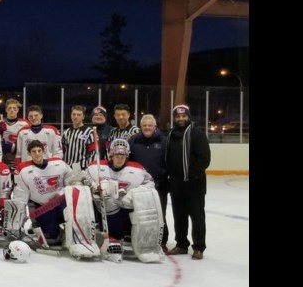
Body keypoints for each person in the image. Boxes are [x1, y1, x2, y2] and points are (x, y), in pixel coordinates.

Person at [84, 138, 158, 263]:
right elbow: (84, 177)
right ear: (111, 154)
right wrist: (93, 186)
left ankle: (126, 237)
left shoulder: (137, 169)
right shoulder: (96, 166)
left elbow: (150, 184)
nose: (120, 158)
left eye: (122, 155)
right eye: (117, 155)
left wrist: (133, 193)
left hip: (123, 209)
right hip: (100, 209)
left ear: (127, 155)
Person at [8, 140, 80, 248]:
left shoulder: (59, 163)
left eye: (39, 150)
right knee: (51, 240)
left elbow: (71, 180)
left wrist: (77, 182)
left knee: (75, 216)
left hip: (61, 203)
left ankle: (74, 234)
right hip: (42, 207)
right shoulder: (22, 170)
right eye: (34, 151)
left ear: (43, 151)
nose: (37, 154)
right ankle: (55, 231)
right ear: (29, 153)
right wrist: (18, 222)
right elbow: (21, 196)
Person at [164, 105, 211, 260]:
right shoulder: (171, 135)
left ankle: (198, 247)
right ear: (174, 118)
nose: (181, 119)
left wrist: (191, 176)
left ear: (189, 117)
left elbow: (204, 159)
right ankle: (182, 244)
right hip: (176, 183)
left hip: (194, 184)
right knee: (179, 216)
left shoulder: (197, 135)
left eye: (184, 116)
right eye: (178, 116)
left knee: (197, 216)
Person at [128, 114, 169, 252]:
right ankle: (139, 238)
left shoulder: (164, 141)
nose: (147, 128)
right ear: (140, 127)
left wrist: (166, 178)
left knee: (159, 214)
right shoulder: (133, 141)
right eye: (144, 125)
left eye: (150, 125)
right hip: (138, 186)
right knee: (139, 214)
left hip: (159, 185)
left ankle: (162, 241)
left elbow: (169, 162)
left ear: (155, 127)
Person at [0, 98, 29, 173]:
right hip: (4, 157)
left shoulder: (25, 124)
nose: (12, 110)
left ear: (17, 110)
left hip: (19, 157)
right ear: (6, 110)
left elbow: (27, 142)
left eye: (14, 108)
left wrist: (13, 147)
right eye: (9, 108)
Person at [61, 105, 95, 171]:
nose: (76, 117)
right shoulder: (66, 132)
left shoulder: (89, 132)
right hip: (67, 168)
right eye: (74, 114)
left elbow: (93, 153)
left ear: (83, 117)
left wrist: (88, 168)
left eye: (79, 115)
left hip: (83, 169)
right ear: (71, 116)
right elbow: (62, 151)